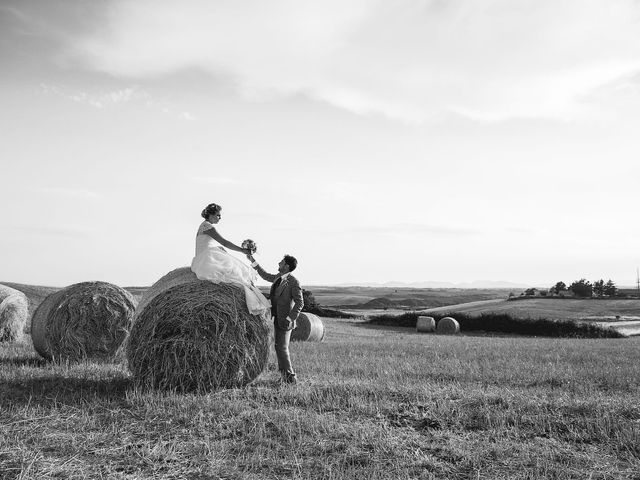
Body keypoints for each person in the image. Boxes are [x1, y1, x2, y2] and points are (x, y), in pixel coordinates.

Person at [191, 203, 270, 315]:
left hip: (203, 256)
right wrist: (242, 250)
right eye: (218, 215)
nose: (220, 218)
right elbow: (225, 242)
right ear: (211, 215)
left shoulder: (203, 225)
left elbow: (206, 243)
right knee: (235, 273)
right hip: (206, 257)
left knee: (233, 272)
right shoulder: (207, 226)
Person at [247, 253, 304, 384]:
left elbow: (300, 303)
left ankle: (291, 378)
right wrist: (253, 261)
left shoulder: (294, 282)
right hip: (277, 318)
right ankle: (285, 376)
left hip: (286, 320)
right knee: (279, 347)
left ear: (287, 266)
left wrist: (290, 319)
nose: (279, 264)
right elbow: (265, 275)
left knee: (282, 348)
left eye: (281, 262)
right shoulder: (278, 277)